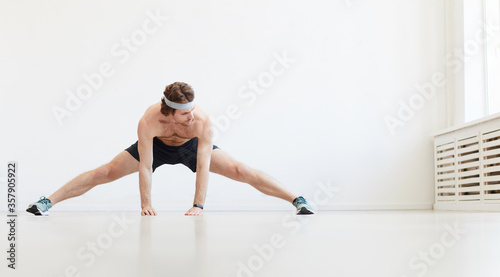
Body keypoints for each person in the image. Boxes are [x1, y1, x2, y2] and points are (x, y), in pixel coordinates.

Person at [27, 82, 314, 216]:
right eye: (185, 113)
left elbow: (203, 166)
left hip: (191, 148)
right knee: (105, 171)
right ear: (169, 112)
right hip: (157, 147)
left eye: (192, 110)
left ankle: (296, 200)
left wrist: (198, 204)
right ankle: (47, 202)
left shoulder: (201, 122)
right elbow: (145, 165)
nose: (192, 115)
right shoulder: (150, 120)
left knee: (241, 170)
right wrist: (145, 204)